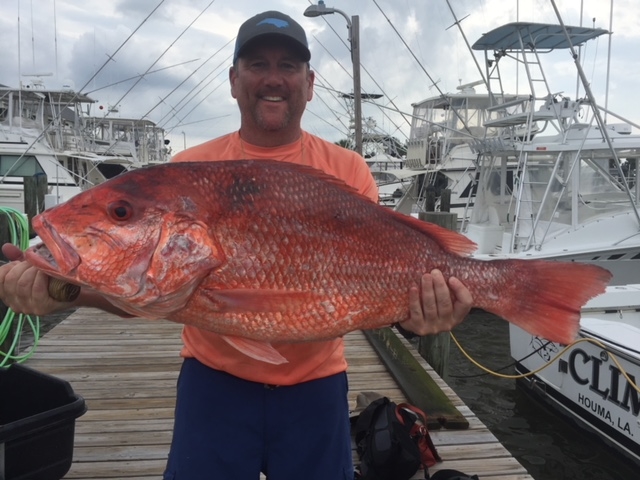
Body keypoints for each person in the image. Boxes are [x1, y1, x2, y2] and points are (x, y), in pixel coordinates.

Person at [0, 11, 473, 480]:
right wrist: (62, 290)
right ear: (233, 79)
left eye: (288, 66)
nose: (273, 78)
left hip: (317, 389)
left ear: (309, 83)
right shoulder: (188, 167)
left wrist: (423, 313)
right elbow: (149, 296)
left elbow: (377, 288)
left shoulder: (349, 171)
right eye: (257, 64)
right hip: (214, 386)